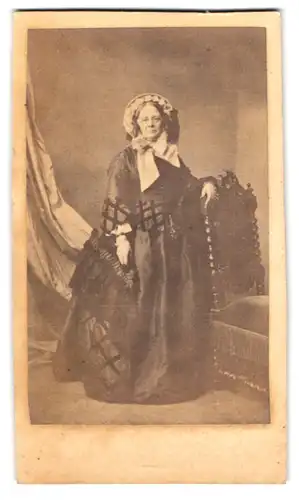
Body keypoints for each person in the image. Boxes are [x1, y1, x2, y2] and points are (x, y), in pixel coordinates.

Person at [53, 93, 218, 404]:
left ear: (164, 121)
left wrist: (207, 183)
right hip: (139, 237)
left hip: (169, 242)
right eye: (145, 119)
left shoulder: (170, 154)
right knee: (138, 295)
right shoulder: (127, 158)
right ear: (135, 124)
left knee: (170, 299)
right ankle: (134, 372)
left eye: (155, 119)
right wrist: (122, 238)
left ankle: (166, 371)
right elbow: (116, 197)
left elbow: (186, 184)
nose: (151, 124)